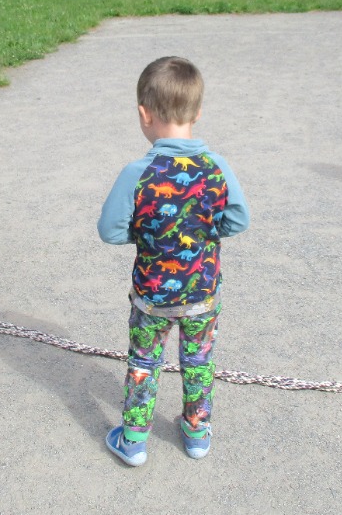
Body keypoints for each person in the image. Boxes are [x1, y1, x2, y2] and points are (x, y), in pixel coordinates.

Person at [97, 56, 250, 466]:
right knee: (198, 362)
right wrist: (204, 232)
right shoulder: (216, 167)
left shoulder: (137, 172)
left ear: (144, 115)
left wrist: (147, 236)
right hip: (202, 293)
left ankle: (133, 440)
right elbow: (239, 219)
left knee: (144, 361)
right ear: (197, 113)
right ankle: (197, 434)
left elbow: (110, 230)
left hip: (151, 296)